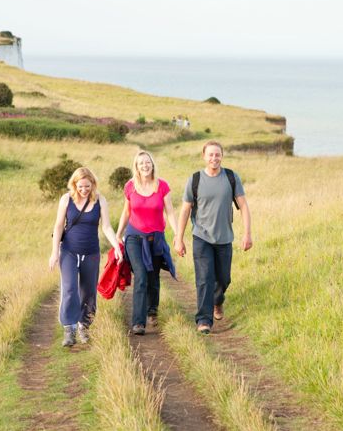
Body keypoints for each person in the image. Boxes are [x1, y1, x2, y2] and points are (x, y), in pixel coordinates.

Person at [174, 140, 252, 334]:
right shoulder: (195, 180)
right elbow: (185, 210)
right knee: (204, 278)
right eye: (210, 155)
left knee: (223, 279)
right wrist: (179, 238)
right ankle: (204, 320)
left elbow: (243, 206)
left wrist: (247, 234)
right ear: (204, 156)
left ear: (222, 156)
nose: (214, 158)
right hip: (201, 237)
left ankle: (218, 301)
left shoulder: (231, 177)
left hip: (225, 238)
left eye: (217, 155)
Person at [49, 167, 123, 346]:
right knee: (69, 289)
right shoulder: (66, 200)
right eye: (80, 186)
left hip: (91, 253)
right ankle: (69, 329)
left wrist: (117, 247)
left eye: (87, 186)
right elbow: (59, 226)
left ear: (93, 184)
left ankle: (84, 326)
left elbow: (106, 227)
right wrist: (54, 253)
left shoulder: (100, 200)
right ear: (74, 184)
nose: (84, 190)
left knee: (89, 292)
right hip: (69, 252)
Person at [116, 150, 178, 335]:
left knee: (153, 277)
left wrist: (177, 235)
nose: (145, 165)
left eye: (147, 162)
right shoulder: (130, 186)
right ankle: (138, 322)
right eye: (141, 163)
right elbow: (126, 212)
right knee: (141, 276)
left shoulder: (162, 186)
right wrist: (119, 234)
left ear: (152, 164)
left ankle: (152, 310)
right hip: (134, 238)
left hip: (156, 238)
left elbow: (170, 213)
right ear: (136, 166)